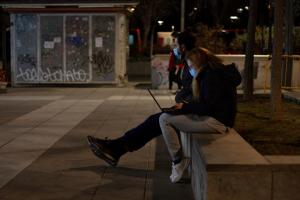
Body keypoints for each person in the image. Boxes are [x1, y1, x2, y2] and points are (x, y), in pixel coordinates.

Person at [87, 47, 241, 183]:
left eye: (191, 66)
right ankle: (117, 147)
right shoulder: (210, 74)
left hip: (217, 121)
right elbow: (202, 99)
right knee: (157, 119)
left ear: (198, 63)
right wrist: (184, 105)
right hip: (212, 116)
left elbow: (208, 107)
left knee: (163, 119)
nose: (190, 70)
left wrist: (185, 107)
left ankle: (177, 161)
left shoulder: (211, 76)